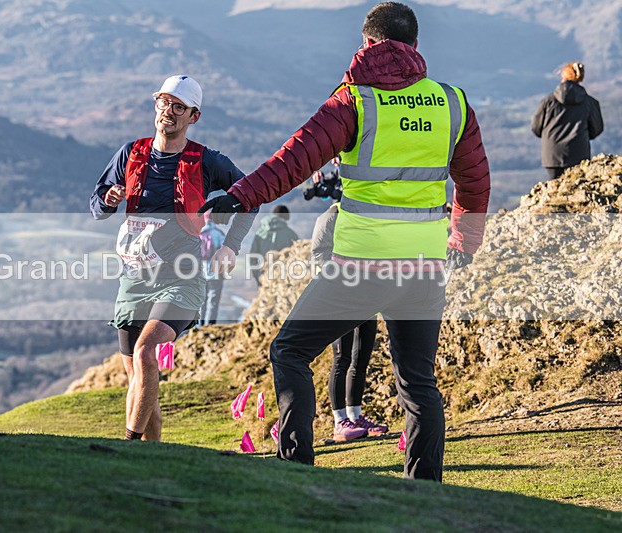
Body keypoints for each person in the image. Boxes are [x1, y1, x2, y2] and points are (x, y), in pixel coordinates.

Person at [200, 2, 490, 481]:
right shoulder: (453, 102)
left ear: (368, 44)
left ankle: (296, 469)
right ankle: (426, 492)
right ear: (416, 48)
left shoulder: (355, 100)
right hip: (424, 266)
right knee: (418, 383)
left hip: (361, 263)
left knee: (289, 352)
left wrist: (240, 196)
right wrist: (463, 242)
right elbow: (475, 184)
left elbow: (293, 160)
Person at [90, 75, 256, 442]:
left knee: (147, 352)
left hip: (182, 276)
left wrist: (231, 245)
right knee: (138, 378)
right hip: (134, 277)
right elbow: (97, 206)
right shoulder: (130, 153)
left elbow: (251, 196)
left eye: (178, 107)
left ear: (193, 116)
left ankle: (128, 447)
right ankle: (154, 456)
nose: (168, 112)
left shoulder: (208, 160)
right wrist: (109, 199)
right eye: (163, 103)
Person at [311, 203, 388, 442]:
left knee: (361, 358)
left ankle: (356, 417)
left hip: (368, 295)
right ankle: (339, 422)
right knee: (342, 358)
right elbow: (320, 253)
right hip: (340, 297)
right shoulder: (332, 214)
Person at [531, 61, 603, 180]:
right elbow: (597, 129)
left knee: (554, 191)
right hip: (579, 153)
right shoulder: (590, 102)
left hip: (552, 155)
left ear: (563, 76)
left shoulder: (547, 101)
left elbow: (536, 127)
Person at [248, 205, 300, 285]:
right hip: (284, 278)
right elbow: (299, 256)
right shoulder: (291, 234)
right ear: (286, 218)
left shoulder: (260, 234)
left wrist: (258, 277)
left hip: (264, 276)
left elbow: (253, 257)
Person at [198, 211, 227, 326]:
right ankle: (209, 326)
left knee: (201, 301)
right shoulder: (219, 234)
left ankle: (199, 325)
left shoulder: (197, 233)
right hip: (215, 272)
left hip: (199, 273)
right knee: (213, 301)